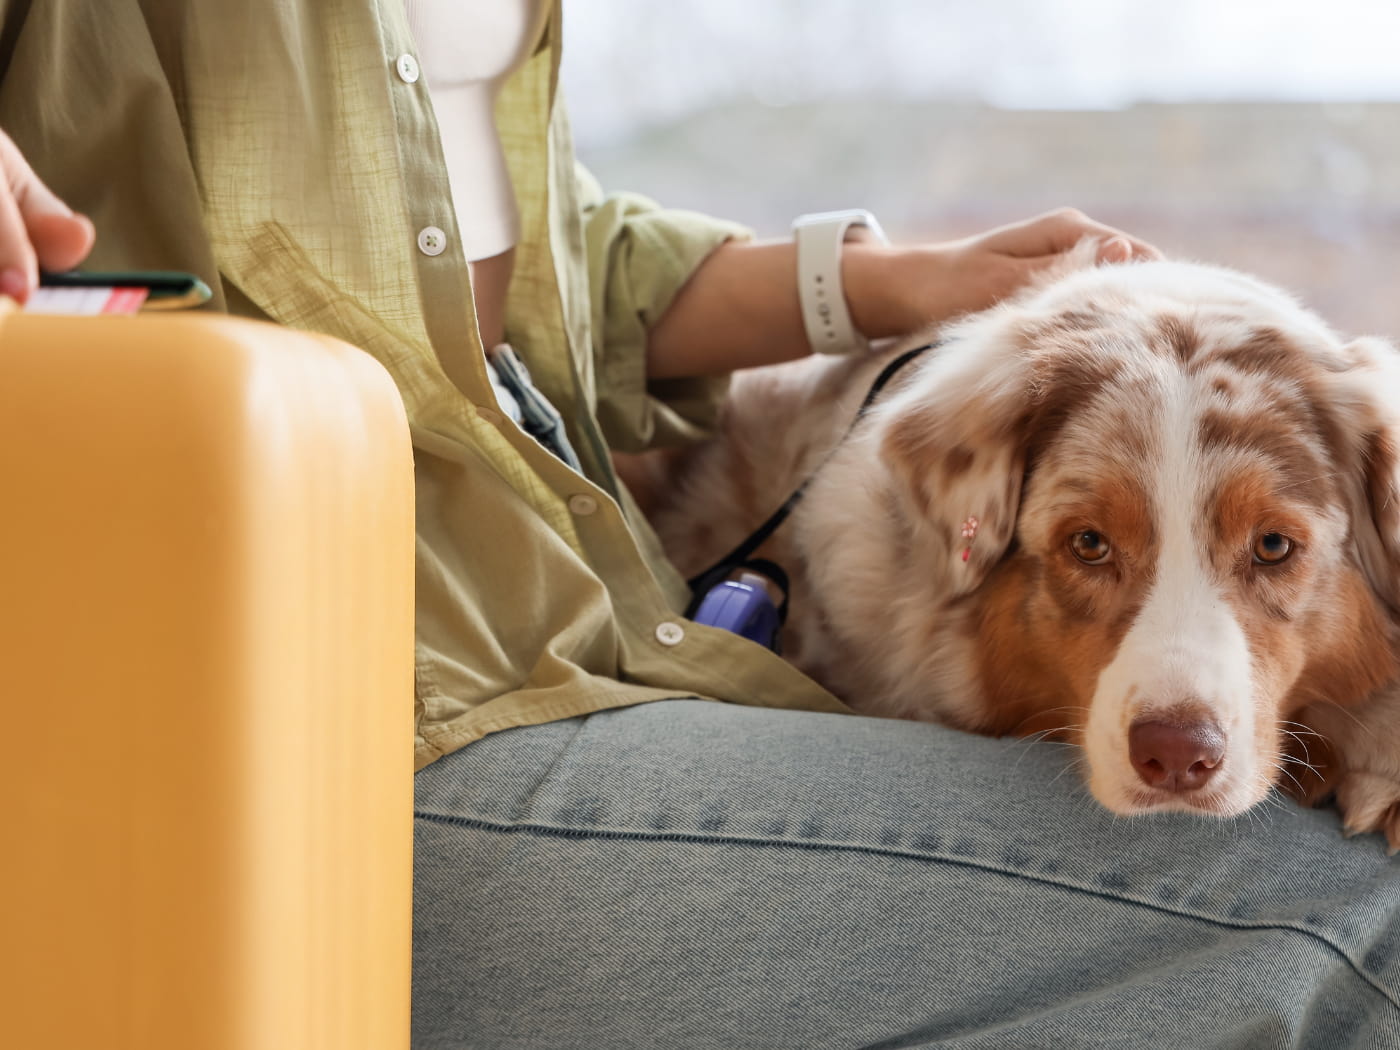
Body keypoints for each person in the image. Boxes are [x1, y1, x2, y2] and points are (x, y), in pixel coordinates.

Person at [2, 2, 1397, 1047]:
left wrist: (887, 281)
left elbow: (524, 270)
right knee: (1358, 931)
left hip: (572, 620)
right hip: (325, 730)